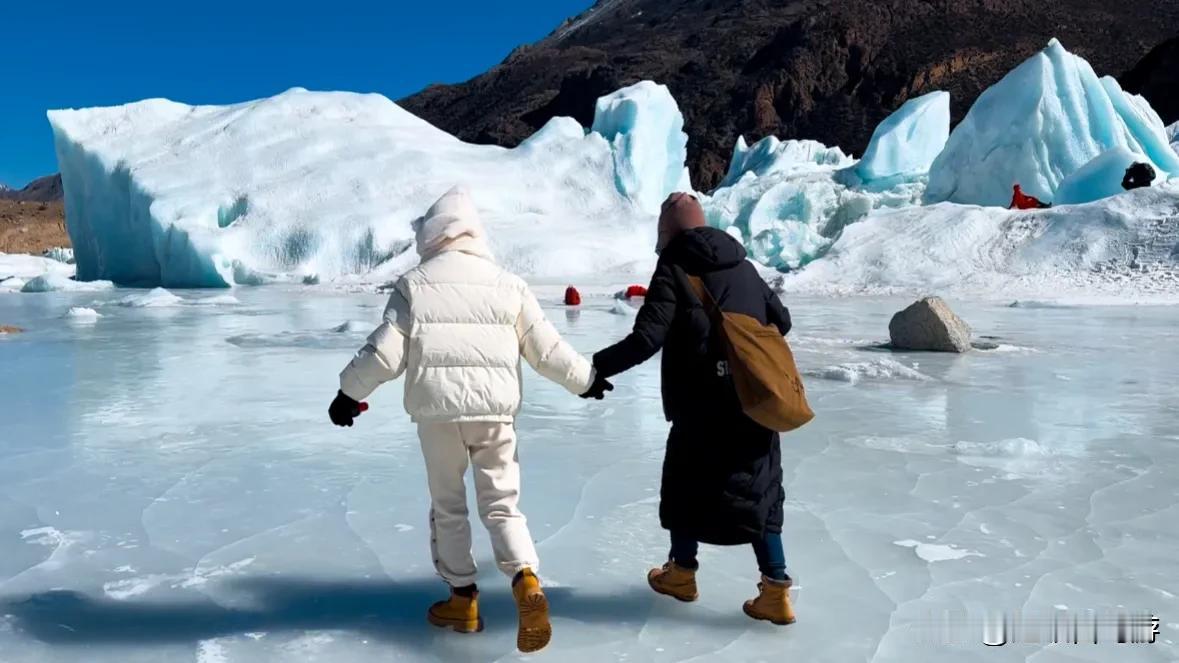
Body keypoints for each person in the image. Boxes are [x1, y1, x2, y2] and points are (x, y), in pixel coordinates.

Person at [329, 185, 613, 653]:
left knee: (449, 505)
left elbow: (384, 353)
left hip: (437, 415)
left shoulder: (414, 285)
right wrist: (584, 379)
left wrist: (347, 393)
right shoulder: (508, 284)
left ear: (432, 234)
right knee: (502, 503)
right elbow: (545, 349)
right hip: (495, 415)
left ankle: (462, 601)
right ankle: (525, 580)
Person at [590, 192, 796, 625]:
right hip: (753, 400)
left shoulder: (673, 268)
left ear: (667, 232)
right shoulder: (743, 266)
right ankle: (775, 591)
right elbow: (782, 319)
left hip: (699, 406)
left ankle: (681, 574)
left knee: (686, 488)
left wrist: (594, 368)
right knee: (760, 490)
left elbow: (647, 339)